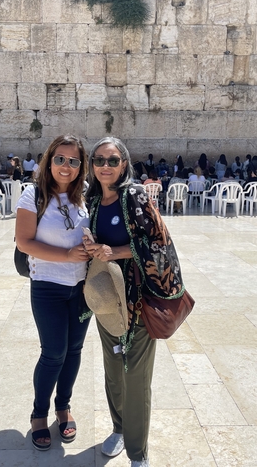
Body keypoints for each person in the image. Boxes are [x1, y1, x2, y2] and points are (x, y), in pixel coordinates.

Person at [83, 136, 186, 467]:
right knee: (113, 368)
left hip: (138, 299)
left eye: (113, 161)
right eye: (99, 160)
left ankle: (137, 452)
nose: (105, 167)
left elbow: (161, 244)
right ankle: (118, 428)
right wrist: (92, 245)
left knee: (136, 374)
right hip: (106, 297)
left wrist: (117, 252)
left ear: (124, 164)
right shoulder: (94, 200)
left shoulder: (135, 196)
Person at [15, 135, 91, 452]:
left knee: (74, 350)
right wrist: (67, 256)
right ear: (49, 160)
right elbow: (24, 242)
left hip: (83, 289)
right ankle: (38, 414)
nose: (66, 166)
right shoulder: (32, 195)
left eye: (73, 161)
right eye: (60, 158)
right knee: (53, 352)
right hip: (47, 285)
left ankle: (63, 407)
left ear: (80, 167)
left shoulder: (85, 196)